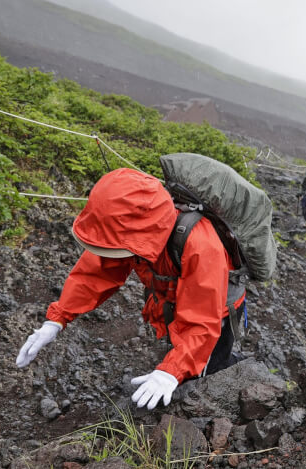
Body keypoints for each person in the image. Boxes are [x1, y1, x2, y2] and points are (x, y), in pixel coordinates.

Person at [15, 168, 246, 410]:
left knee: (205, 375)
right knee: (183, 359)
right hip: (176, 299)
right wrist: (57, 319)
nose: (118, 255)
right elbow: (96, 272)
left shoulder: (201, 245)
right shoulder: (132, 227)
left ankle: (218, 405)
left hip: (217, 309)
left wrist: (171, 371)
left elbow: (201, 321)